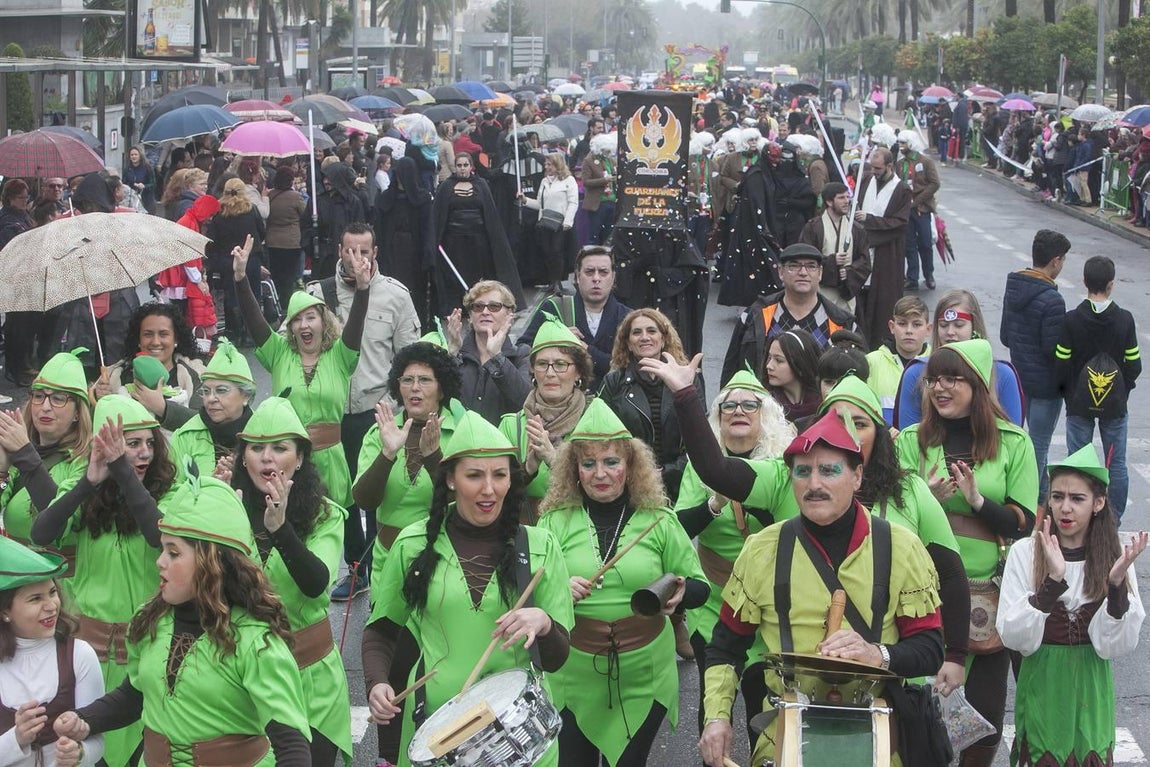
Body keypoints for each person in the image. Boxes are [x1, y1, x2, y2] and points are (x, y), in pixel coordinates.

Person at [696, 408, 944, 767]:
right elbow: (725, 647)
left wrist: (879, 654)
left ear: (857, 476)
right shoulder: (762, 549)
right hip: (785, 730)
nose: (814, 484)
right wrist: (717, 717)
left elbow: (930, 647)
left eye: (829, 471)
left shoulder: (903, 548)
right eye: (803, 472)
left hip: (879, 734)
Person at [55, 471, 312, 766]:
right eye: (163, 549)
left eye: (174, 553)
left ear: (211, 563)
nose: (160, 562)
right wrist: (85, 720)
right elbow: (137, 693)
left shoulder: (257, 642)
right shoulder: (150, 620)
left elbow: (292, 746)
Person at [362, 411, 575, 767]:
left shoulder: (541, 546)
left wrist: (545, 624)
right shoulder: (412, 545)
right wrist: (377, 683)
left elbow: (556, 659)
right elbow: (382, 631)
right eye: (474, 475)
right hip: (440, 735)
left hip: (520, 738)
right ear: (450, 480)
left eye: (500, 475)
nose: (488, 489)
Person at [537, 399, 707, 767]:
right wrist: (558, 591)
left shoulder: (659, 520)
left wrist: (679, 594)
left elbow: (699, 587)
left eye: (611, 461)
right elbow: (530, 596)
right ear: (574, 469)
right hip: (573, 674)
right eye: (589, 463)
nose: (600, 473)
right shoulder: (552, 524)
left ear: (629, 466)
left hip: (645, 675)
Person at [895, 339, 1039, 767]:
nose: (939, 387)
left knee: (986, 712)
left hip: (987, 594)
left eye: (951, 378)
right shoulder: (909, 441)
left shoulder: (1014, 443)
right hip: (922, 587)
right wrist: (928, 501)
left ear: (976, 385)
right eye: (933, 379)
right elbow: (891, 517)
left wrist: (980, 503)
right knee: (920, 705)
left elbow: (1024, 522)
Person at [29, 395, 170, 766]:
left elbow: (159, 535)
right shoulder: (84, 488)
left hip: (145, 654)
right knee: (85, 753)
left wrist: (121, 469)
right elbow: (42, 532)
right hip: (87, 657)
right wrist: (87, 483)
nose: (142, 454)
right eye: (130, 444)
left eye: (148, 443)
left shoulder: (172, 492)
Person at [997, 446, 1146, 767]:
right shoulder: (1027, 552)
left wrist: (1117, 585)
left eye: (1077, 498)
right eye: (1057, 496)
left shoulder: (1114, 555)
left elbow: (1117, 644)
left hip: (1092, 684)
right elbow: (1013, 635)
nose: (1065, 508)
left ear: (1099, 503)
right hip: (1043, 682)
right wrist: (1051, 583)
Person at [352, 340, 460, 762]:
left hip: (442, 558)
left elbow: (463, 502)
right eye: (407, 379)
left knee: (438, 660)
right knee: (393, 667)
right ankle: (387, 756)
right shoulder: (380, 429)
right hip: (387, 562)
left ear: (442, 387)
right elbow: (362, 499)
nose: (415, 388)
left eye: (425, 380)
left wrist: (435, 458)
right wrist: (387, 452)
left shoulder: (461, 431)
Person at [672, 369, 794, 742]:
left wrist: (744, 493)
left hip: (770, 605)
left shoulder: (783, 465)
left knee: (765, 713)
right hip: (714, 602)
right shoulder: (699, 464)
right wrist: (713, 503)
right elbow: (678, 530)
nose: (737, 411)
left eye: (749, 404)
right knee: (712, 712)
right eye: (728, 406)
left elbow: (795, 527)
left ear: (766, 415)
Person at [229, 397, 351, 766]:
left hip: (311, 680)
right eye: (256, 448)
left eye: (280, 448)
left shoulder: (326, 514)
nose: (267, 458)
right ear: (243, 458)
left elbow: (316, 583)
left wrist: (280, 530)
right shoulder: (227, 509)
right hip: (243, 683)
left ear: (299, 458)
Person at [305, 223, 422, 600]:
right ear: (339, 250)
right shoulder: (317, 296)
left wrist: (405, 405)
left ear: (375, 254)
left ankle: (381, 563)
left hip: (377, 410)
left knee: (373, 493)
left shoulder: (395, 296)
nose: (357, 259)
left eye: (364, 252)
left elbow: (409, 354)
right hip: (330, 412)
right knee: (338, 496)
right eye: (350, 251)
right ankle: (355, 569)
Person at [234, 233, 372, 510]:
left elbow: (356, 325)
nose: (304, 325)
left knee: (337, 533)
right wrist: (241, 279)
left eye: (310, 317)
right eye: (296, 319)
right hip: (289, 464)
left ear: (324, 321)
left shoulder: (340, 356)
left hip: (331, 462)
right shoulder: (279, 353)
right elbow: (255, 320)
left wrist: (363, 288)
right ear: (290, 327)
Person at [0, 537, 105, 767]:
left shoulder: (79, 655)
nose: (51, 605)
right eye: (35, 598)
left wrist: (79, 754)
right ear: (5, 611)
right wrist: (16, 739)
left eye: (52, 592)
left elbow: (96, 739)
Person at [1054, 255, 1141, 520]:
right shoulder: (1125, 320)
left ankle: (1082, 517)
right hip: (1115, 405)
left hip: (1079, 404)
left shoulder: (1071, 320)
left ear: (1084, 281)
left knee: (1079, 462)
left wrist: (1069, 394)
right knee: (1116, 465)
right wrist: (1122, 390)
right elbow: (1134, 364)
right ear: (1111, 284)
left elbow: (1061, 362)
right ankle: (1112, 520)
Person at [599, 308, 705, 503]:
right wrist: (636, 471)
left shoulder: (687, 378)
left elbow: (700, 435)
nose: (644, 337)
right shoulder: (614, 382)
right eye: (636, 332)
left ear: (663, 339)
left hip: (678, 483)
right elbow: (604, 437)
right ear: (628, 344)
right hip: (629, 483)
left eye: (651, 331)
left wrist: (669, 472)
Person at [499, 316, 594, 521]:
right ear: (533, 371)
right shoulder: (510, 425)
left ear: (578, 373)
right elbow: (494, 491)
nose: (550, 373)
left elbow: (606, 488)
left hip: (580, 532)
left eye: (561, 364)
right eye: (542, 364)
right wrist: (528, 468)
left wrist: (554, 460)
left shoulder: (594, 420)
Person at [721, 243, 856, 386]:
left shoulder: (841, 322)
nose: (803, 272)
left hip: (820, 406)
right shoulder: (755, 315)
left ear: (820, 273)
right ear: (780, 271)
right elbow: (732, 367)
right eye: (794, 266)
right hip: (763, 404)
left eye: (811, 266)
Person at [1001, 229, 1072, 503]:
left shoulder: (1014, 286)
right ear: (1055, 261)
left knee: (1026, 442)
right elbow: (1053, 349)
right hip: (1046, 385)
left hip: (1020, 379)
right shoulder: (1053, 299)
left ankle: (1037, 495)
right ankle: (1035, 501)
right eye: (1063, 260)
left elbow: (1006, 336)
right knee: (1039, 445)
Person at [0, 350, 93, 547]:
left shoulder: (89, 459)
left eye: (58, 398)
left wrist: (25, 454)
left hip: (63, 573)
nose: (45, 407)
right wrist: (1, 471)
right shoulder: (16, 449)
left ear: (78, 413)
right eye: (39, 396)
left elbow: (59, 526)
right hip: (14, 570)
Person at [894, 290, 1025, 429]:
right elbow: (907, 439)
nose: (950, 332)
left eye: (959, 325)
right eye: (944, 325)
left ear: (974, 326)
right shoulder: (915, 373)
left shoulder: (1003, 374)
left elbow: (1014, 440)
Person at [516, 246, 632, 390]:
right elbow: (523, 349)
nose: (596, 278)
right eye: (589, 272)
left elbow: (628, 368)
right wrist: (555, 340)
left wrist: (586, 349)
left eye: (603, 272)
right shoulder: (554, 308)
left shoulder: (628, 318)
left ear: (613, 277)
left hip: (611, 404)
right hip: (561, 402)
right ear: (578, 276)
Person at [433, 153, 524, 316]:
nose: (462, 169)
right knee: (456, 277)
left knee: (479, 277)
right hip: (454, 243)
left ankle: (480, 305)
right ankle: (459, 308)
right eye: (459, 165)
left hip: (478, 241)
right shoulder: (446, 187)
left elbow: (489, 214)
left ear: (471, 166)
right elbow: (438, 215)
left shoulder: (481, 185)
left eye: (465, 165)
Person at [93, 303, 206, 431]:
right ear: (138, 340)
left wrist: (163, 408)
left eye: (163, 334)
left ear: (176, 340)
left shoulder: (196, 375)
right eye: (148, 334)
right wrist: (99, 400)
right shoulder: (115, 376)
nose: (155, 342)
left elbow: (204, 422)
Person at [446, 280, 532, 425]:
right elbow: (438, 400)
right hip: (462, 442)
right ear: (471, 316)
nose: (485, 312)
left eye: (494, 306)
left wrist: (497, 358)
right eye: (478, 307)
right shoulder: (456, 355)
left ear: (509, 315)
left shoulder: (521, 355)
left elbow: (526, 400)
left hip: (505, 443)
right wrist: (452, 353)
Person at [168, 338, 256, 479]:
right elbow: (170, 493)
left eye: (221, 390)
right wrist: (210, 489)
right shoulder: (184, 436)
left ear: (245, 396)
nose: (210, 399)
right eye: (206, 391)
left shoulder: (263, 433)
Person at [854, 147, 912, 350]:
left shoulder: (902, 189)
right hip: (864, 250)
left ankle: (882, 344)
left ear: (889, 166)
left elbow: (899, 223)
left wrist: (870, 221)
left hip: (887, 254)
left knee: (883, 303)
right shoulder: (866, 181)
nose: (875, 172)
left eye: (878, 168)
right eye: (873, 167)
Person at [376, 157, 436, 329]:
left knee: (414, 290)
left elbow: (428, 228)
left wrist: (428, 253)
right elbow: (380, 228)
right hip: (392, 250)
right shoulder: (387, 198)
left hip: (413, 252)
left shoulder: (422, 198)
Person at [209, 177, 268, 344]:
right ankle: (251, 333)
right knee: (252, 294)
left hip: (228, 259)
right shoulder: (252, 210)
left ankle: (234, 331)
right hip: (250, 258)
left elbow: (213, 239)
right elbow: (261, 232)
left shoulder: (219, 214)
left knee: (231, 295)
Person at [798, 181, 870, 318]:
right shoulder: (813, 228)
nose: (846, 201)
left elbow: (865, 261)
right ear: (829, 202)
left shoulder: (856, 229)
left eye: (847, 197)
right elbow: (805, 258)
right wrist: (832, 261)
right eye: (841, 198)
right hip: (821, 291)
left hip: (847, 294)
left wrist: (849, 272)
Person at [865, 295, 932, 424]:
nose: (909, 331)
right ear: (892, 326)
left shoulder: (937, 363)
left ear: (928, 329)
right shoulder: (871, 362)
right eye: (902, 323)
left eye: (917, 324)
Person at [520, 153, 580, 296]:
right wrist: (525, 200)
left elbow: (573, 202)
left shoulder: (569, 180)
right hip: (545, 223)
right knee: (547, 252)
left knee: (557, 252)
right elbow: (540, 204)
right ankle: (552, 282)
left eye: (549, 164)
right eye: (545, 165)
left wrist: (568, 221)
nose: (546, 167)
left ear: (557, 165)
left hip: (560, 223)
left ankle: (558, 282)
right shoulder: (544, 181)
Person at [0, 179, 39, 387]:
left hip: (28, 277)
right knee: (18, 328)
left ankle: (23, 363)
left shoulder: (23, 215)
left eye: (27, 197)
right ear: (10, 199)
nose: (26, 201)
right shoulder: (6, 220)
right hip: (16, 279)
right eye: (22, 198)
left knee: (28, 326)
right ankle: (16, 369)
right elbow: (11, 249)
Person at [897, 130, 941, 291]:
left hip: (922, 209)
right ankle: (912, 277)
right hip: (905, 210)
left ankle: (929, 275)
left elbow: (934, 183)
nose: (901, 146)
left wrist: (917, 201)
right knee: (909, 245)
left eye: (903, 143)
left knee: (925, 243)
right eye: (900, 143)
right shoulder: (900, 164)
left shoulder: (926, 162)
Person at [315, 163, 369, 280]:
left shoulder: (353, 202)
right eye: (324, 178)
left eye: (329, 178)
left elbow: (359, 229)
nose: (326, 182)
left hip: (344, 254)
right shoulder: (318, 201)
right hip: (323, 254)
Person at [266, 166, 308, 307]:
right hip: (291, 242)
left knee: (276, 275)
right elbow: (305, 214)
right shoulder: (296, 197)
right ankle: (286, 304)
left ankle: (275, 302)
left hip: (272, 241)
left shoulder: (269, 196)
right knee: (289, 276)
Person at [763, 329, 823, 423]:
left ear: (800, 364)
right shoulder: (763, 403)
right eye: (769, 358)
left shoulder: (823, 406)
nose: (769, 366)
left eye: (779, 360)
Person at [581, 133, 618, 246]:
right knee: (595, 235)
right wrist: (604, 180)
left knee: (608, 235)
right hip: (597, 204)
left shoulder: (611, 160)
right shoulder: (588, 161)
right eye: (606, 151)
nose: (608, 153)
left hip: (611, 201)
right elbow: (586, 182)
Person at [122, 146, 156, 213]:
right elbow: (124, 183)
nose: (133, 156)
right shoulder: (127, 169)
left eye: (136, 154)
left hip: (146, 199)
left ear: (140, 155)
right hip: (131, 199)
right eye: (132, 155)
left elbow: (153, 184)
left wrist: (144, 186)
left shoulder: (148, 168)